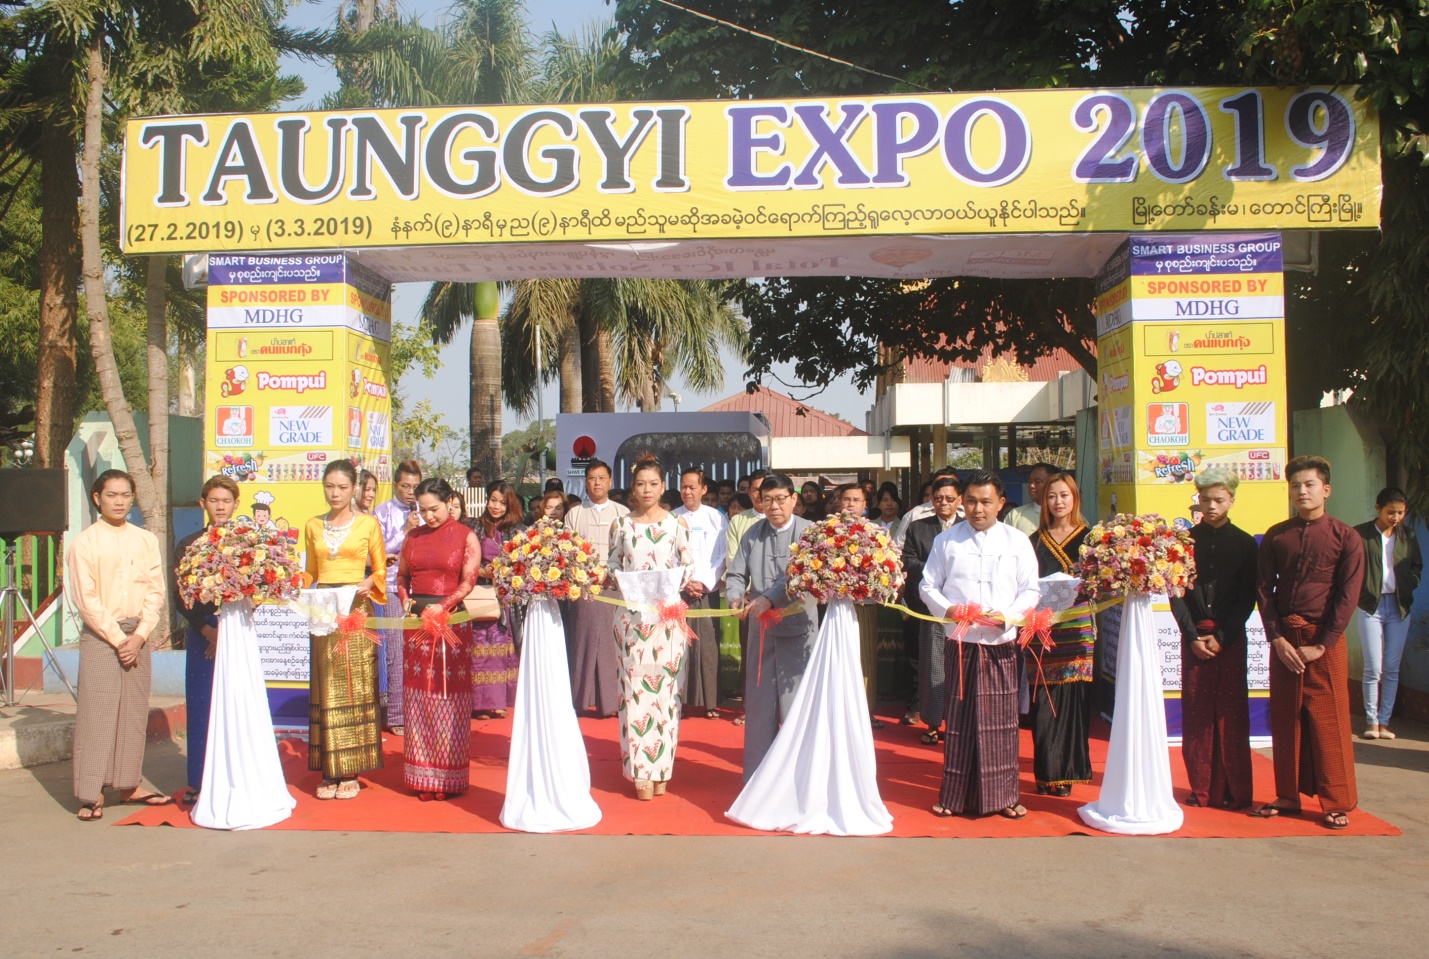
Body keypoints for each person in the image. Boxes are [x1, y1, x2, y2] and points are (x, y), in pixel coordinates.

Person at [919, 470, 1040, 820]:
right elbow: (927, 586)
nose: (977, 509)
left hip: (1000, 643)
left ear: (1000, 503)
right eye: (970, 501)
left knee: (1001, 723)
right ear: (962, 502)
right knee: (959, 721)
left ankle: (1005, 796)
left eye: (986, 502)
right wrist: (949, 610)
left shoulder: (1017, 541)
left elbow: (1031, 589)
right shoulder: (947, 541)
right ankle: (954, 797)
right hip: (961, 642)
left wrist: (1009, 615)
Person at [1254, 455, 1365, 829]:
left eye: (1309, 484)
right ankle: (1288, 795)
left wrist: (1323, 643)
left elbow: (1347, 596)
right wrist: (1277, 639)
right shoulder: (1277, 535)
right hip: (1286, 641)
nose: (1302, 491)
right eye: (1295, 486)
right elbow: (1263, 590)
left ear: (1326, 490)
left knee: (1329, 721)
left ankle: (1337, 802)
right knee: (1286, 719)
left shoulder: (1346, 537)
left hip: (1323, 641)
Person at [67, 470, 170, 821]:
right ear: (98, 498)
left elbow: (155, 590)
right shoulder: (85, 542)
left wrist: (140, 635)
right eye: (112, 495)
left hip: (137, 633)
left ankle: (128, 785)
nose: (120, 501)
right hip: (101, 636)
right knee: (96, 713)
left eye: (126, 495)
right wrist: (117, 638)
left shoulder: (145, 539)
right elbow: (86, 599)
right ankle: (91, 791)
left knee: (133, 712)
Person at [1168, 468, 1259, 810]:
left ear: (1231, 500)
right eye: (1205, 500)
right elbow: (1175, 594)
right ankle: (1201, 788)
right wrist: (1192, 636)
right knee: (1197, 711)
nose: (1211, 506)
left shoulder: (1245, 544)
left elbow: (1247, 597)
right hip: (1193, 638)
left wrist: (1222, 636)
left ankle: (1235, 790)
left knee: (1231, 712)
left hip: (1229, 637)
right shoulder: (1183, 542)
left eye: (1218, 500)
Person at [608, 457, 695, 799]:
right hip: (631, 620)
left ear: (662, 487)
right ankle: (640, 772)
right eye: (641, 484)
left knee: (667, 694)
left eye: (653, 484)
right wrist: (626, 581)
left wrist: (670, 583)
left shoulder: (676, 525)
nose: (647, 490)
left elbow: (689, 565)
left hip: (668, 619)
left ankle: (663, 769)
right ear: (634, 487)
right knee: (634, 693)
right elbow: (612, 563)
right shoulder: (621, 525)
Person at [302, 460, 387, 800]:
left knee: (355, 685)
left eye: (342, 487)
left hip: (356, 607)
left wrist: (369, 582)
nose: (335, 493)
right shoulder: (312, 525)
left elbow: (381, 570)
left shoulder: (368, 523)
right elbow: (311, 571)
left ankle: (351, 768)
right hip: (324, 608)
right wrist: (291, 582)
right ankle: (329, 769)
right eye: (329, 486)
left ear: (354, 489)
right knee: (326, 685)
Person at [726, 474, 818, 780]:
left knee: (796, 706)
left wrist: (768, 598)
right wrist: (735, 597)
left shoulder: (810, 533)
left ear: (794, 499)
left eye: (780, 499)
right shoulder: (753, 533)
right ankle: (758, 779)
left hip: (799, 631)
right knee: (759, 706)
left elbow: (799, 575)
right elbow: (736, 574)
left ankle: (796, 778)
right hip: (761, 631)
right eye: (767, 500)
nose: (774, 506)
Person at [397, 478, 480, 799]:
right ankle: (421, 775)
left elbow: (468, 581)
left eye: (434, 509)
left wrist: (442, 606)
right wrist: (405, 598)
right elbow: (403, 575)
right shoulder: (413, 537)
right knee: (419, 697)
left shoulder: (465, 536)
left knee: (447, 696)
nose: (429, 516)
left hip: (451, 622)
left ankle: (447, 777)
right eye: (423, 510)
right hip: (416, 623)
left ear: (449, 503)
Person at [1024, 472, 1099, 797]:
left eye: (1064, 495)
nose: (1058, 502)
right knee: (1044, 704)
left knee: (1073, 703)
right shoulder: (1034, 541)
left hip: (1077, 629)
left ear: (1075, 498)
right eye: (1052, 496)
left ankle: (1067, 774)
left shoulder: (1091, 539)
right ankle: (1046, 773)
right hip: (1042, 629)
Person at [173, 475, 240, 806]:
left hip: (238, 631)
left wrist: (229, 628)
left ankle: (237, 778)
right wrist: (207, 630)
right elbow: (180, 595)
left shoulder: (248, 544)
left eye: (226, 501)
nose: (220, 507)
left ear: (236, 505)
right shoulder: (189, 544)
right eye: (214, 501)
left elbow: (258, 588)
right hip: (203, 634)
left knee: (237, 704)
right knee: (202, 706)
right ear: (203, 504)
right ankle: (200, 781)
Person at [1353, 487, 1421, 740]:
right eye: (1391, 512)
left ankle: (1384, 722)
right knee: (1373, 667)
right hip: (1371, 606)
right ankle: (1371, 722)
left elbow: (1416, 566)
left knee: (1392, 668)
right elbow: (1350, 566)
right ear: (1378, 508)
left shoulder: (1407, 535)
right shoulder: (1360, 534)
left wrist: (1410, 583)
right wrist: (1361, 592)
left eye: (1401, 513)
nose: (1396, 517)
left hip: (1399, 607)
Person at [564, 460, 629, 717]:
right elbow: (568, 552)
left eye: (602, 478)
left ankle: (613, 702)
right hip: (585, 588)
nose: (597, 483)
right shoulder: (574, 514)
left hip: (614, 586)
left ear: (610, 482)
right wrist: (586, 574)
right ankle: (583, 700)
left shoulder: (623, 513)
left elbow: (629, 551)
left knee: (614, 643)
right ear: (585, 482)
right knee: (584, 641)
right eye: (592, 478)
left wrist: (612, 574)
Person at [901, 476, 961, 742]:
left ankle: (958, 723)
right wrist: (937, 571)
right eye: (938, 498)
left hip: (962, 610)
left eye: (950, 498)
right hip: (931, 606)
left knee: (960, 668)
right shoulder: (918, 527)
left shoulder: (968, 527)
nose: (944, 503)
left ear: (959, 500)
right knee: (933, 667)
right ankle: (933, 723)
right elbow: (908, 560)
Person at [673, 467, 729, 719]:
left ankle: (710, 702)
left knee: (707, 645)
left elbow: (722, 555)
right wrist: (685, 582)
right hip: (680, 590)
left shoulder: (716, 518)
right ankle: (680, 700)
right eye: (683, 486)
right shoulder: (671, 518)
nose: (687, 491)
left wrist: (704, 582)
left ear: (704, 489)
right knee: (679, 645)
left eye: (692, 487)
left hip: (707, 589)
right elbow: (669, 557)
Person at [372, 459, 422, 734]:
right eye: (405, 486)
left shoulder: (425, 510)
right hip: (391, 587)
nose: (411, 492)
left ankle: (421, 709)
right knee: (395, 651)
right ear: (394, 485)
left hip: (421, 588)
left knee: (421, 651)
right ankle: (396, 715)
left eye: (415, 486)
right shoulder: (382, 512)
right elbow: (377, 554)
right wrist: (405, 532)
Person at [472, 481, 523, 718]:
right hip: (481, 595)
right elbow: (464, 559)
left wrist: (508, 572)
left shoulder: (518, 531)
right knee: (481, 650)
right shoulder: (475, 527)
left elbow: (524, 564)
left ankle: (500, 700)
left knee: (504, 651)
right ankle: (480, 704)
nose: (496, 506)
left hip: (507, 599)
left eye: (502, 503)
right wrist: (480, 571)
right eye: (493, 500)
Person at [835, 484, 883, 728]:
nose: (851, 504)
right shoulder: (826, 531)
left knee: (865, 659)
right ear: (839, 502)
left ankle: (866, 711)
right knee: (835, 658)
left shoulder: (876, 532)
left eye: (856, 500)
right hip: (833, 605)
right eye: (846, 499)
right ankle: (836, 710)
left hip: (865, 604)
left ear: (865, 505)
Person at [893, 466, 960, 555]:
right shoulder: (915, 514)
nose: (945, 486)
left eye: (949, 483)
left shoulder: (967, 517)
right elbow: (897, 549)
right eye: (940, 483)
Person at [1004, 463, 1057, 535]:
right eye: (1030, 482)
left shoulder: (1063, 515)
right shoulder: (1016, 514)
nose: (1032, 485)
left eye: (1037, 482)